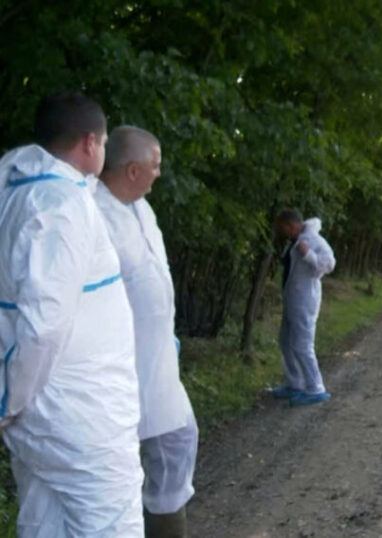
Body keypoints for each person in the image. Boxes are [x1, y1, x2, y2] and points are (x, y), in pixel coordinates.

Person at [0, 92, 144, 535]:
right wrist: (10, 401)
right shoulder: (60, 206)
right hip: (81, 417)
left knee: (44, 524)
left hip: (48, 415)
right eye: (104, 141)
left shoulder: (18, 193)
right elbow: (43, 324)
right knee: (110, 526)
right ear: (89, 143)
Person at [94, 126, 197, 537]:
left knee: (178, 439)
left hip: (158, 356)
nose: (159, 172)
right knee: (119, 464)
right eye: (154, 165)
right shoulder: (94, 214)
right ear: (133, 170)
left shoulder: (142, 209)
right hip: (118, 365)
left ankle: (165, 527)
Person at [273, 209, 337, 407]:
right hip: (293, 299)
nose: (281, 232)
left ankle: (315, 388)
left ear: (291, 225)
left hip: (305, 300)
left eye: (282, 228)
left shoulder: (314, 240)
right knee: (286, 340)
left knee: (302, 344)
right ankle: (296, 383)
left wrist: (308, 254)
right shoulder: (296, 240)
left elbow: (329, 264)